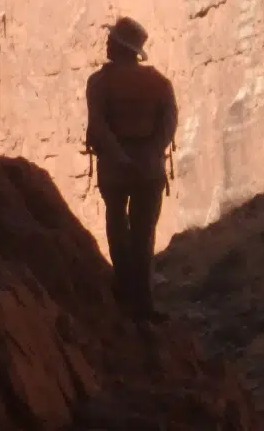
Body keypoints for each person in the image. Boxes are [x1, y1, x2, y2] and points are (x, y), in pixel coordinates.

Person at [85, 17, 178, 322]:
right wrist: (151, 152)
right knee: (143, 233)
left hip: (115, 168)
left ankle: (124, 292)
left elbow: (98, 125)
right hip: (149, 169)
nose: (106, 43)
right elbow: (168, 124)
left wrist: (118, 155)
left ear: (121, 48)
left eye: (112, 40)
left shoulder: (98, 83)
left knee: (117, 225)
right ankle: (143, 300)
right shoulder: (159, 83)